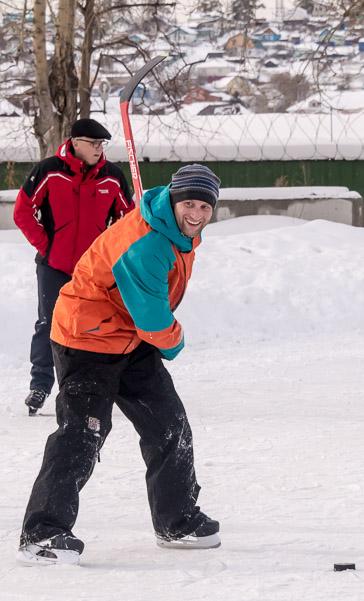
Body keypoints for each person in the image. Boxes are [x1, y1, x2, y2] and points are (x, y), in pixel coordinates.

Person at [16, 164, 223, 566]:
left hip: (127, 335)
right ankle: (42, 534)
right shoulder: (148, 243)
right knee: (82, 433)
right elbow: (154, 319)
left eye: (204, 206)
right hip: (87, 338)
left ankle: (176, 522)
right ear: (174, 201)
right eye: (189, 204)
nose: (196, 213)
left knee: (168, 424)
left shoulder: (173, 227)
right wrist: (175, 340)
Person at [13, 118, 134, 415]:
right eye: (93, 144)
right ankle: (40, 385)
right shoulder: (49, 171)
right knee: (49, 324)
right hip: (54, 266)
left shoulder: (112, 177)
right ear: (75, 143)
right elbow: (22, 212)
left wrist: (111, 249)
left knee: (96, 326)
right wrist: (48, 248)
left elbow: (129, 220)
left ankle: (91, 385)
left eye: (101, 144)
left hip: (95, 269)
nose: (98, 149)